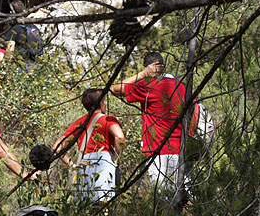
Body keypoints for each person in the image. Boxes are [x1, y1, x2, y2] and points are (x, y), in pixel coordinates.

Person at [111, 51, 186, 187]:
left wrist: (142, 75)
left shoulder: (149, 87)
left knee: (162, 199)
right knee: (185, 198)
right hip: (182, 150)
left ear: (148, 67)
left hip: (158, 151)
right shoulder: (182, 86)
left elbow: (115, 89)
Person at [53, 88, 125, 201]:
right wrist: (117, 158)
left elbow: (57, 147)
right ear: (101, 102)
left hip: (83, 164)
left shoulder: (79, 123)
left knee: (85, 205)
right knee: (103, 205)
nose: (106, 103)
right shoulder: (108, 119)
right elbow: (119, 136)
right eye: (105, 101)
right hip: (104, 162)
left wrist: (72, 165)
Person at [0, 0, 43, 68]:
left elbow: (10, 50)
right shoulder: (33, 27)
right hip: (35, 66)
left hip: (20, 67)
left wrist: (5, 68)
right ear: (24, 10)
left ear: (11, 12)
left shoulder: (14, 29)